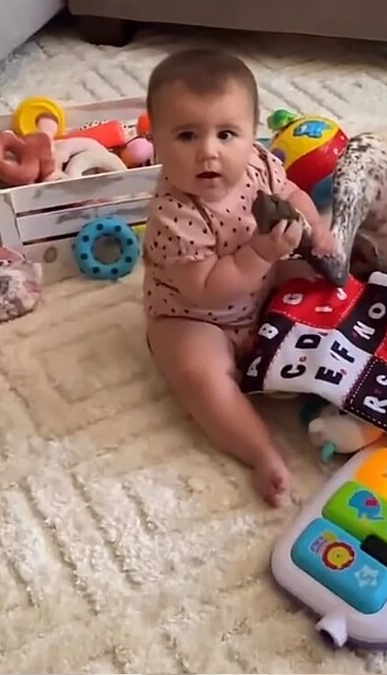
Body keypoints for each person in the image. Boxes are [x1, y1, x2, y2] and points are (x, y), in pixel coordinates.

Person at [141, 48, 336, 506]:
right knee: (196, 373)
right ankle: (259, 449)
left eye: (227, 134)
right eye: (187, 135)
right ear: (155, 143)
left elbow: (291, 192)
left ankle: (340, 357)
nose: (209, 151)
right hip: (193, 315)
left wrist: (315, 228)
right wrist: (260, 253)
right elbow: (205, 288)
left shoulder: (259, 165)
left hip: (262, 283)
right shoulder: (173, 212)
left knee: (319, 275)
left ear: (253, 134)